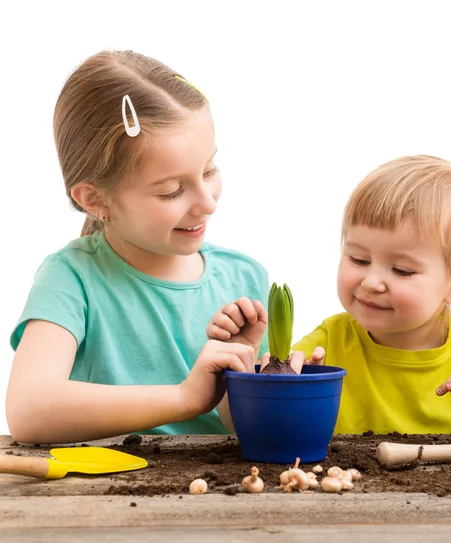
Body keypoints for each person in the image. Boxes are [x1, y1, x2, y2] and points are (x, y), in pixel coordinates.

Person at [207, 155, 451, 434]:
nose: (372, 281)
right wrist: (241, 367)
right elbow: (243, 427)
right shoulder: (330, 343)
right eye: (358, 258)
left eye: (402, 270)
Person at [7, 50, 269, 444]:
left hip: (219, 495)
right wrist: (184, 398)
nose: (208, 202)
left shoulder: (244, 278)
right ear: (94, 199)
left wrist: (249, 381)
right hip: (103, 497)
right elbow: (29, 410)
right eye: (171, 191)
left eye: (209, 171)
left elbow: (250, 430)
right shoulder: (72, 278)